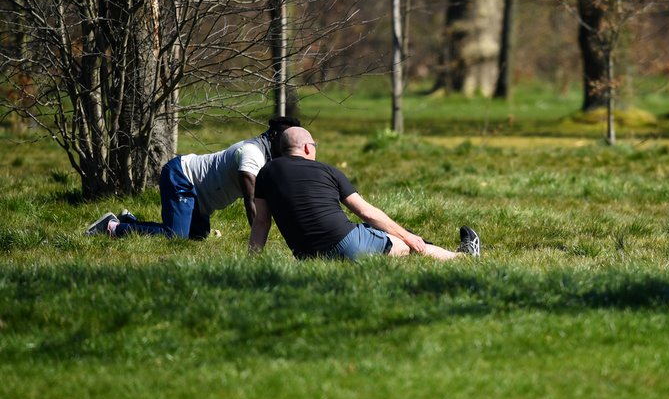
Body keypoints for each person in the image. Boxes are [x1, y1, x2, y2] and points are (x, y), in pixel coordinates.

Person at [248, 126, 480, 261]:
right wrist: (408, 237)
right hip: (347, 245)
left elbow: (261, 223)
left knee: (381, 237)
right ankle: (462, 258)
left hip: (306, 255)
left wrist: (253, 264)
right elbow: (367, 213)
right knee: (402, 244)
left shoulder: (266, 172)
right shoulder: (327, 171)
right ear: (308, 147)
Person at [86, 116, 301, 239]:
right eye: (286, 140)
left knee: (197, 236)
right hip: (182, 177)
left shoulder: (269, 156)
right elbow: (252, 200)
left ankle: (130, 222)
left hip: (200, 197)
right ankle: (111, 227)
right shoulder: (251, 154)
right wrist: (259, 241)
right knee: (175, 236)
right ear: (273, 137)